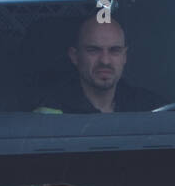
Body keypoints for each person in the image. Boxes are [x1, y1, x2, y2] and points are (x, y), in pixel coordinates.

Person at [34, 15, 163, 114]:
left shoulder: (149, 109)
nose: (105, 61)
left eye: (114, 51)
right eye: (94, 50)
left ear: (124, 57)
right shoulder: (51, 112)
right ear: (75, 57)